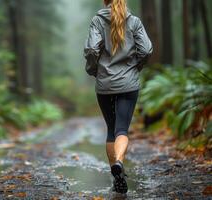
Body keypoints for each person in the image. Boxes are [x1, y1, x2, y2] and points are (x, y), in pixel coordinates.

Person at [83, 0, 153, 194]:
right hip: (128, 84)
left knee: (111, 130)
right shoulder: (135, 22)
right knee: (122, 128)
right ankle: (119, 163)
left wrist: (93, 69)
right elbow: (146, 49)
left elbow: (91, 49)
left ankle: (116, 176)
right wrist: (135, 67)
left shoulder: (97, 21)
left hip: (104, 84)